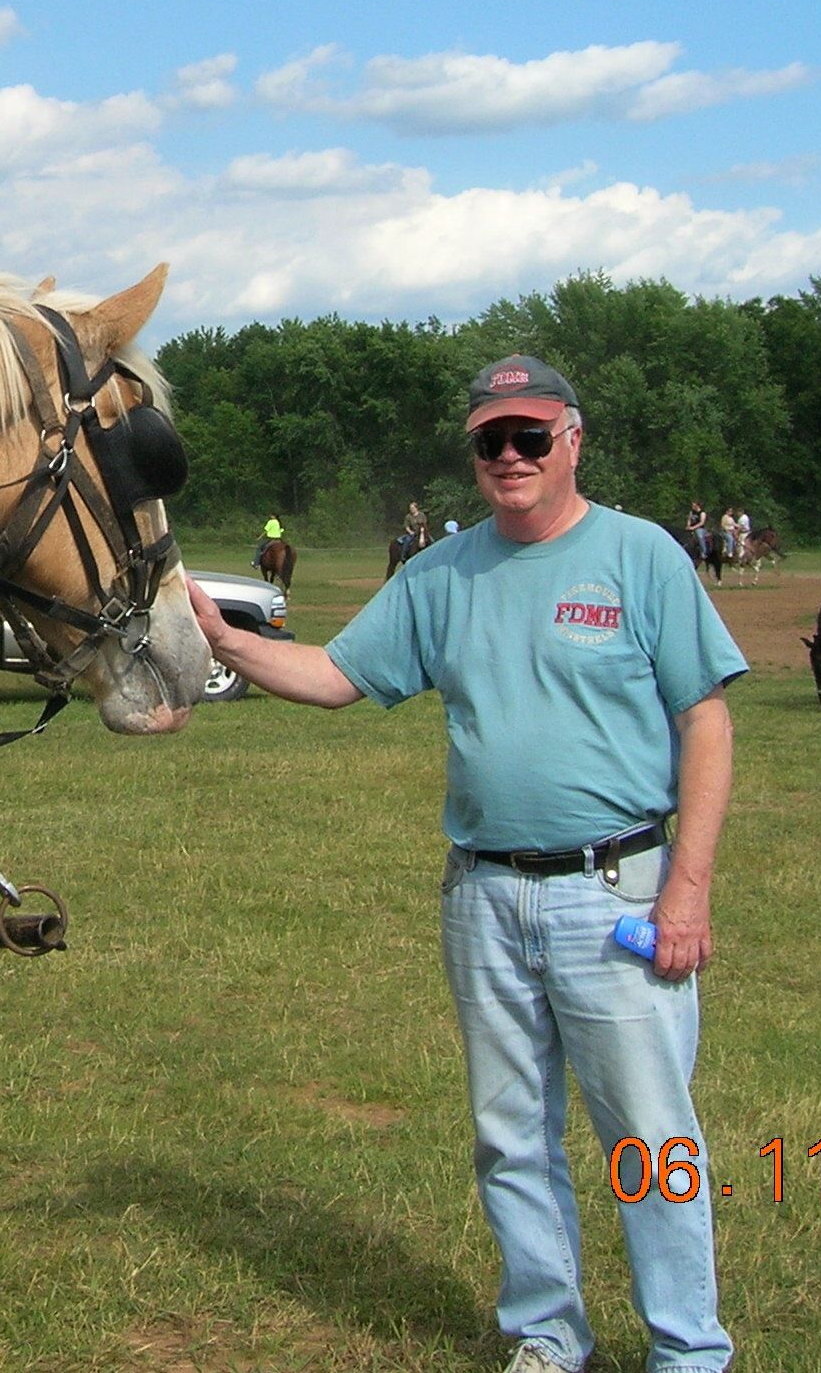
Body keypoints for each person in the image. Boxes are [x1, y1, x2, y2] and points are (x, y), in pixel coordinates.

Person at [189, 355, 741, 1373]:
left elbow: (705, 723)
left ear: (572, 439)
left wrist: (687, 891)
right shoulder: (439, 574)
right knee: (509, 1137)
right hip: (483, 897)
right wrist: (221, 637)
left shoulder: (642, 556)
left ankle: (688, 1350)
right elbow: (333, 676)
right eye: (492, 439)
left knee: (652, 1139)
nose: (510, 455)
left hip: (616, 893)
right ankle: (545, 1335)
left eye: (531, 435)